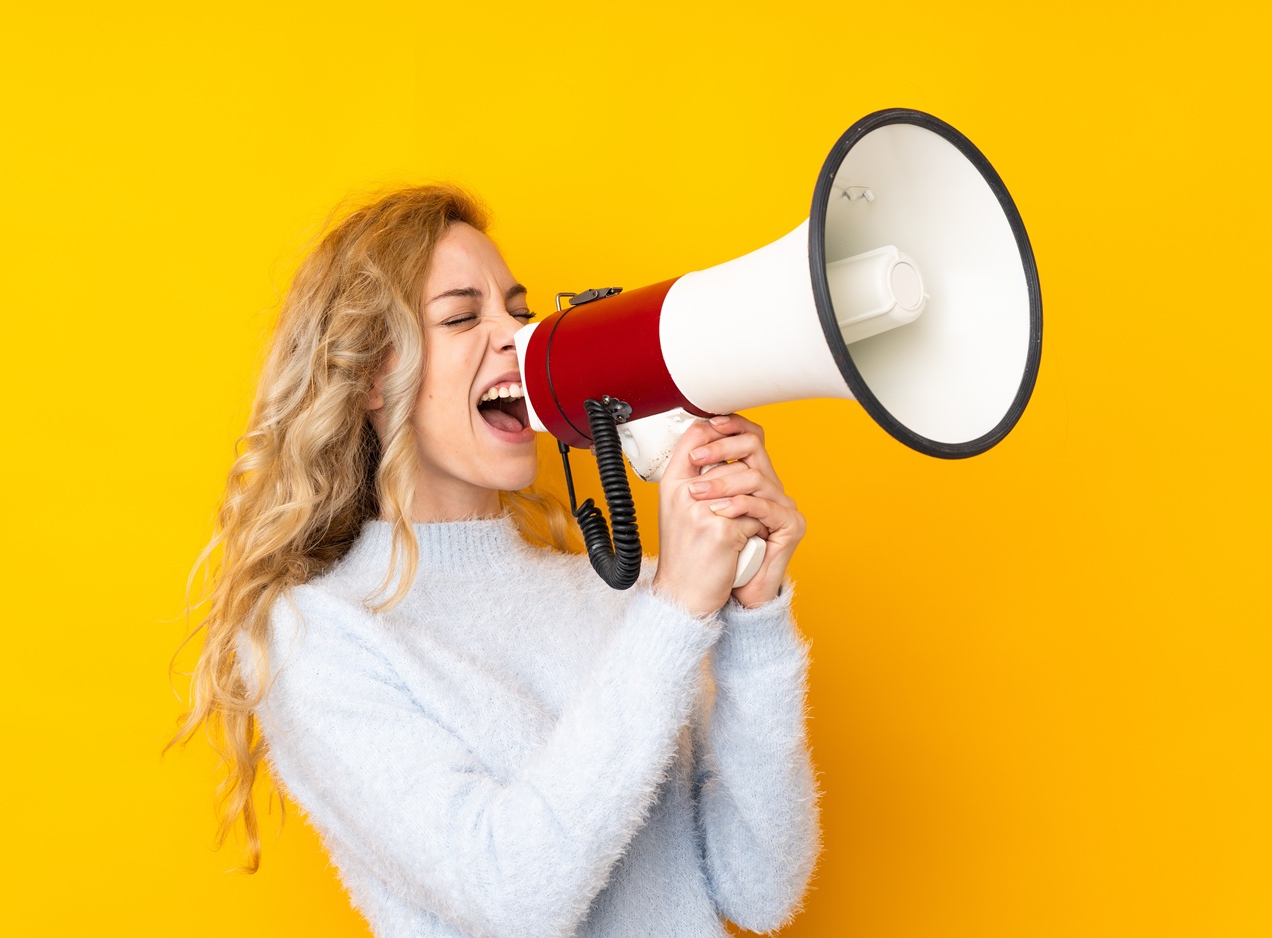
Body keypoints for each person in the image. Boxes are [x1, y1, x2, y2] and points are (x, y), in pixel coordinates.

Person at [171, 185, 819, 937]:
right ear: (372, 376)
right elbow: (510, 897)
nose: (518, 336)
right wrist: (675, 613)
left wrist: (754, 621)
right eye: (461, 315)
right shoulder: (320, 635)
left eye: (518, 308)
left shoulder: (621, 592)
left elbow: (760, 890)